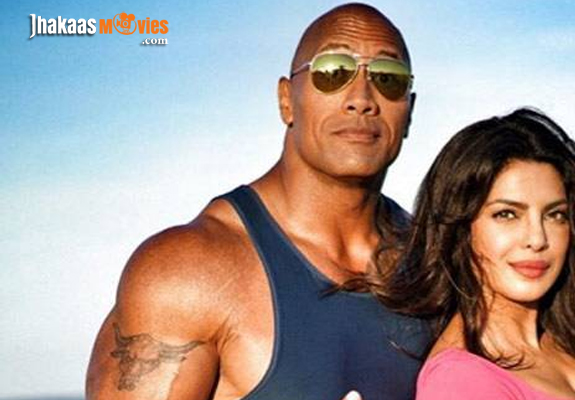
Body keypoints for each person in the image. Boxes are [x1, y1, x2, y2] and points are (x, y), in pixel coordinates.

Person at [85, 3, 430, 400]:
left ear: (409, 111)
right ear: (286, 100)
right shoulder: (188, 272)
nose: (362, 98)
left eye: (388, 78)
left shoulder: (440, 266)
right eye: (333, 72)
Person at [370, 108, 575, 399]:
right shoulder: (460, 380)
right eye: (507, 214)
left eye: (555, 215)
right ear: (460, 229)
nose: (537, 239)